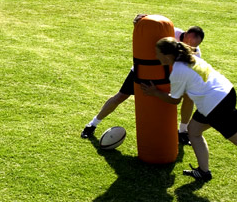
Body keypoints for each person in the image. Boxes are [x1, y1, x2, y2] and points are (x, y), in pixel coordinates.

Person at [141, 37, 237, 194]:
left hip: (215, 104)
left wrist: (154, 92)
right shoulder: (190, 57)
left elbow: (174, 100)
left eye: (158, 54)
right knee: (194, 131)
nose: (156, 57)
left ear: (166, 55)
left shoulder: (178, 71)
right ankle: (203, 171)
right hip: (225, 93)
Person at [81, 14, 205, 145]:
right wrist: (139, 23)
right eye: (188, 42)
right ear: (185, 34)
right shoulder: (169, 31)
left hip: (167, 76)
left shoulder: (196, 53)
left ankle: (182, 132)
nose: (189, 47)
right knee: (120, 96)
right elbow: (146, 31)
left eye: (193, 46)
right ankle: (92, 124)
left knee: (189, 96)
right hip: (143, 70)